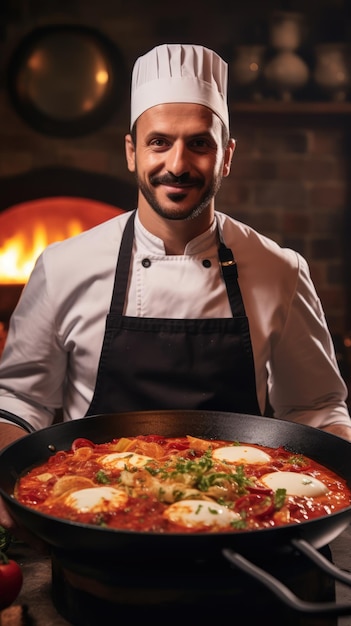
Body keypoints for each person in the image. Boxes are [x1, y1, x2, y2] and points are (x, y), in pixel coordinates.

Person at [0, 43, 350, 535]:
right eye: (159, 142)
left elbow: (315, 406)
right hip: (91, 525)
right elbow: (20, 401)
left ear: (227, 156)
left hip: (250, 523)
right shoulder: (63, 266)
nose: (177, 164)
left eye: (199, 144)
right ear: (131, 152)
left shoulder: (280, 270)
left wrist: (321, 490)